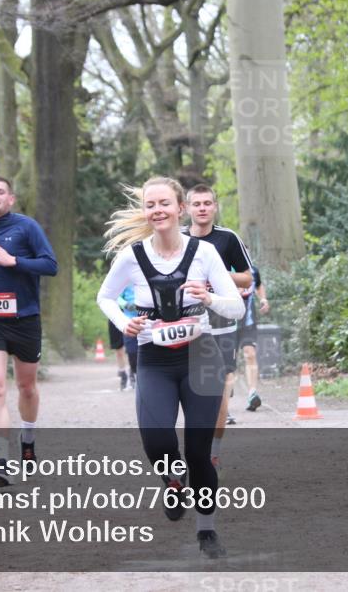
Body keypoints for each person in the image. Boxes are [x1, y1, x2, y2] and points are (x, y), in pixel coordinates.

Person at [97, 176, 244, 559]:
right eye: (151, 204)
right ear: (145, 211)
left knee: (198, 451)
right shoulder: (133, 256)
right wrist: (123, 321)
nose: (157, 210)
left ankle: (207, 530)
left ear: (180, 208)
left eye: (164, 203)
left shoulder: (204, 254)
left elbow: (237, 307)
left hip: (201, 356)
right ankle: (173, 482)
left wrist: (210, 297)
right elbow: (105, 296)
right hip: (155, 360)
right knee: (157, 440)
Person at [0, 176, 58, 487]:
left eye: (0, 192)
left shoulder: (27, 227)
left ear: (11, 199)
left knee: (27, 388)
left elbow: (50, 265)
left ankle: (27, 439)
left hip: (25, 318)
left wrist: (14, 260)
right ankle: (0, 462)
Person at [184, 184, 252, 465]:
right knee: (191, 388)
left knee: (220, 387)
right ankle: (192, 447)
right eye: (196, 203)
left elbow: (247, 278)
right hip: (187, 322)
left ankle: (213, 453)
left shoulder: (228, 238)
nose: (202, 208)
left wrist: (221, 275)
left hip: (222, 322)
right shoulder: (176, 238)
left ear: (215, 207)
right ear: (186, 208)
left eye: (207, 203)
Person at [237, 265, 271, 411]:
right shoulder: (223, 267)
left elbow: (258, 284)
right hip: (227, 323)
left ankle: (252, 393)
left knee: (250, 354)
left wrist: (263, 299)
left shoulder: (253, 270)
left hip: (248, 322)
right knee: (226, 363)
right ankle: (224, 403)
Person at [107, 319, 129, 390]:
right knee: (118, 350)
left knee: (132, 350)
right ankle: (123, 373)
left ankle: (133, 370)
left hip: (129, 316)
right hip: (114, 318)